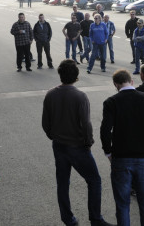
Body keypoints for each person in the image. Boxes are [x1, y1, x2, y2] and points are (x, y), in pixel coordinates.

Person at [42, 60, 113, 226]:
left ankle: (68, 219)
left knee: (62, 182)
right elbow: (86, 124)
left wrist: (53, 135)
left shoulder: (51, 94)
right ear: (76, 76)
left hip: (59, 145)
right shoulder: (80, 96)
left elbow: (45, 123)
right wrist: (88, 142)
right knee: (94, 180)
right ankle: (95, 218)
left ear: (60, 75)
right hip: (77, 146)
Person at [100, 69, 144, 226]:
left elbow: (105, 131)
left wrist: (108, 151)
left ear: (115, 84)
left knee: (123, 204)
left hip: (121, 158)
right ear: (131, 81)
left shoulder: (111, 102)